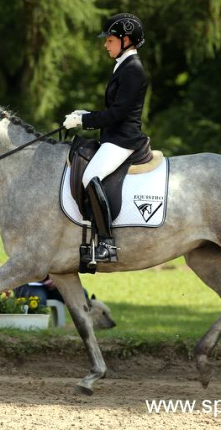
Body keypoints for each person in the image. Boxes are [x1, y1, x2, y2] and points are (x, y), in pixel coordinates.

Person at [62, 13, 149, 264]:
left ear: (126, 41)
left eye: (110, 40)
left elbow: (119, 113)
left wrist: (84, 121)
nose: (105, 44)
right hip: (114, 136)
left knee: (91, 176)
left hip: (123, 140)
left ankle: (107, 244)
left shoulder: (134, 70)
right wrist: (86, 114)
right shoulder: (122, 64)